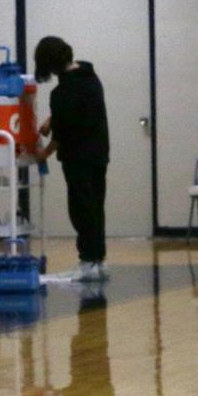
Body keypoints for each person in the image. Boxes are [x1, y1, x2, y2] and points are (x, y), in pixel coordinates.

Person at [34, 35, 111, 284]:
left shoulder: (62, 91)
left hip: (78, 157)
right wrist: (52, 118)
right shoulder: (89, 74)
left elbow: (65, 133)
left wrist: (44, 153)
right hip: (99, 152)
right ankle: (97, 261)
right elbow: (77, 110)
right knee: (95, 207)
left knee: (81, 209)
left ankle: (87, 261)